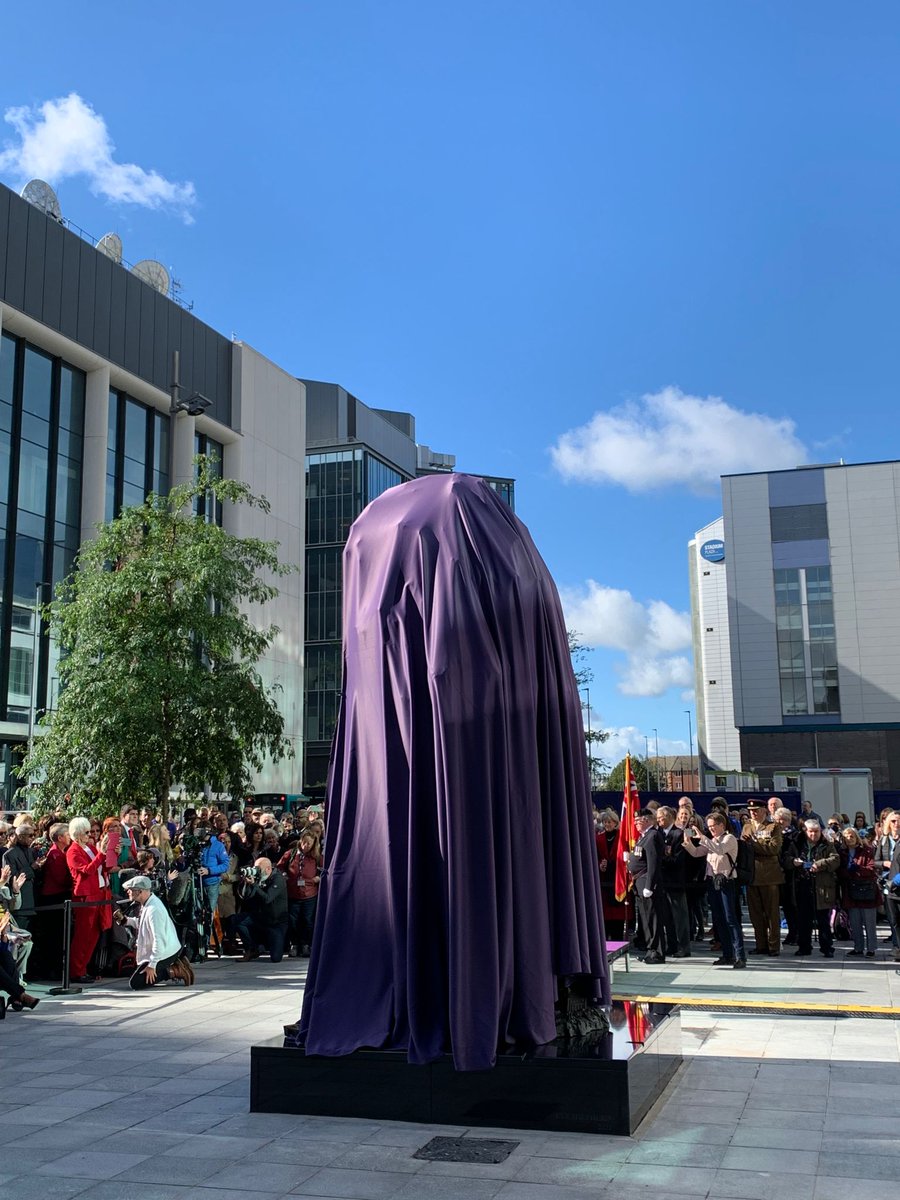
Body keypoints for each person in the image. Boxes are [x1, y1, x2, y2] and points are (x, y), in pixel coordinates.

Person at [683, 811, 745, 968]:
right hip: (712, 882)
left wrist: (703, 838)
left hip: (726, 881)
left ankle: (740, 955)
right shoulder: (711, 840)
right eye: (708, 827)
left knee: (730, 919)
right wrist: (688, 842)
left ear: (721, 825)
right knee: (719, 919)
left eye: (713, 826)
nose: (711, 829)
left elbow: (719, 849)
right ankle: (727, 954)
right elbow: (697, 853)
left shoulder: (729, 838)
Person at [120, 875, 193, 988]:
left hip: (165, 952)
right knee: (134, 974)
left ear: (140, 891)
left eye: (131, 890)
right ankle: (175, 966)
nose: (128, 892)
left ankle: (174, 970)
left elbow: (159, 940)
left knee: (136, 983)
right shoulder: (148, 903)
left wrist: (152, 965)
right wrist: (127, 921)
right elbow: (144, 923)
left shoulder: (154, 910)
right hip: (162, 951)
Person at [66, 816, 114, 983]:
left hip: (100, 892)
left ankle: (83, 968)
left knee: (94, 934)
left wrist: (109, 852)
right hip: (85, 896)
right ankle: (76, 971)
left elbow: (104, 867)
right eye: (87, 832)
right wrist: (101, 854)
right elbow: (87, 870)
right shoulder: (72, 851)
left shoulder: (90, 848)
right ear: (78, 833)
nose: (90, 835)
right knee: (83, 935)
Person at [742, 798, 784, 957]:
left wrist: (753, 844)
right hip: (752, 875)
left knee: (772, 913)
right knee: (755, 913)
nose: (753, 813)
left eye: (756, 810)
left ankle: (773, 946)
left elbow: (774, 849)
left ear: (764, 811)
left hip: (769, 876)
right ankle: (761, 945)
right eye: (751, 810)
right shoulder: (747, 827)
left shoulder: (773, 827)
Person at [792, 819, 839, 958]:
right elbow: (787, 858)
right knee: (803, 919)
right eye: (811, 832)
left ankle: (827, 947)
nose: (814, 835)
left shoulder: (827, 844)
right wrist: (794, 862)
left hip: (822, 886)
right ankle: (804, 947)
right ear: (805, 831)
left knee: (823, 919)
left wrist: (820, 864)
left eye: (816, 831)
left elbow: (835, 860)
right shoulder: (798, 844)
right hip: (803, 884)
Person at [626, 809, 665, 964]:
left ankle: (657, 952)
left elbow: (653, 862)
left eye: (638, 820)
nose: (635, 823)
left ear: (648, 820)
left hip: (647, 882)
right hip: (639, 882)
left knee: (653, 919)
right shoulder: (643, 837)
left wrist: (649, 885)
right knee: (645, 918)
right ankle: (650, 949)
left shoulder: (653, 836)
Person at [233, 856, 289, 963]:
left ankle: (267, 945)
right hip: (261, 918)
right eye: (255, 868)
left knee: (276, 958)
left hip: (276, 922)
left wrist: (254, 885)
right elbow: (247, 896)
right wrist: (247, 883)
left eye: (259, 869)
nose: (256, 871)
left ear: (268, 869)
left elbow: (267, 898)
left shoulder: (278, 879)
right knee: (238, 920)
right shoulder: (258, 878)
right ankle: (251, 949)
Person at [278, 832, 321, 956]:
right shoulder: (290, 854)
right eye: (304, 842)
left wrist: (317, 878)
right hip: (293, 893)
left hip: (309, 894)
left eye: (309, 843)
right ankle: (294, 944)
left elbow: (324, 870)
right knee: (293, 920)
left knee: (308, 921)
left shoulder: (316, 857)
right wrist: (284, 875)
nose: (305, 845)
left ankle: (306, 944)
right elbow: (280, 867)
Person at [839, 828, 879, 957]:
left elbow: (871, 869)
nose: (849, 839)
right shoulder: (842, 852)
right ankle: (858, 947)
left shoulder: (866, 850)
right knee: (855, 922)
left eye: (851, 836)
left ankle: (871, 948)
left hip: (866, 889)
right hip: (851, 890)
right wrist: (848, 871)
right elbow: (840, 872)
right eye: (846, 837)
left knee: (869, 922)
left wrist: (857, 869)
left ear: (856, 837)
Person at [657, 806, 690, 957]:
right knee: (667, 917)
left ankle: (684, 947)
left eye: (660, 818)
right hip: (662, 882)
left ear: (669, 817)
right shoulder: (658, 834)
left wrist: (661, 859)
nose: (658, 821)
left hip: (675, 881)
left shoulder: (678, 834)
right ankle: (672, 945)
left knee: (680, 916)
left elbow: (677, 859)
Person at [595, 808, 626, 940]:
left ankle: (618, 939)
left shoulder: (621, 837)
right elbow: (595, 856)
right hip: (604, 881)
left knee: (618, 916)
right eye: (605, 822)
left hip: (618, 879)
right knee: (605, 914)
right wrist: (599, 865)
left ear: (615, 822)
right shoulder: (598, 838)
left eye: (610, 822)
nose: (607, 824)